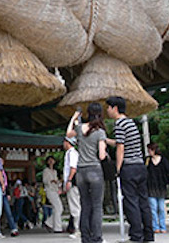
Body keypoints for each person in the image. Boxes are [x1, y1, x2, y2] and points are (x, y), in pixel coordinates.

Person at [106, 96, 154, 243]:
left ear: (115, 108)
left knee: (131, 202)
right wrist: (106, 140)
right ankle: (148, 234)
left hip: (129, 167)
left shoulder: (119, 124)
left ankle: (136, 236)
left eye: (108, 107)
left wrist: (118, 169)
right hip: (140, 166)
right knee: (143, 201)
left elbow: (121, 148)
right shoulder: (130, 122)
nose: (107, 111)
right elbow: (121, 142)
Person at [67, 103, 107, 243]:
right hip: (94, 170)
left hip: (81, 172)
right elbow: (102, 156)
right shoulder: (100, 131)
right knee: (96, 206)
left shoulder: (79, 128)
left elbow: (68, 134)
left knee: (85, 205)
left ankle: (85, 237)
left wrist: (74, 117)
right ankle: (97, 237)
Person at [146, 143, 169, 234]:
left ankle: (163, 226)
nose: (149, 152)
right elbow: (144, 171)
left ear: (154, 150)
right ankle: (155, 227)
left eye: (150, 150)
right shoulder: (148, 160)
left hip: (161, 187)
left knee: (161, 208)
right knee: (153, 208)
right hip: (151, 187)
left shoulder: (163, 160)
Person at [63, 136, 80, 239]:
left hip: (73, 183)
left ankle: (78, 229)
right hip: (72, 182)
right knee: (75, 206)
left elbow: (73, 168)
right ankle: (78, 228)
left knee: (75, 206)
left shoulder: (72, 153)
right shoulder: (69, 153)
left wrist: (69, 180)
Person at [42, 155, 63, 233]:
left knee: (58, 208)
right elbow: (44, 181)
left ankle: (49, 223)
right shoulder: (46, 170)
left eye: (52, 160)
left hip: (55, 190)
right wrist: (51, 180)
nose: (51, 161)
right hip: (49, 190)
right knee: (58, 207)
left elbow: (57, 182)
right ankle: (57, 228)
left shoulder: (55, 171)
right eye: (49, 160)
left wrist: (58, 183)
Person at [0, 160, 19, 237]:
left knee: (8, 211)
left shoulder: (4, 172)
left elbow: (6, 184)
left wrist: (7, 193)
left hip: (4, 193)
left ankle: (13, 228)